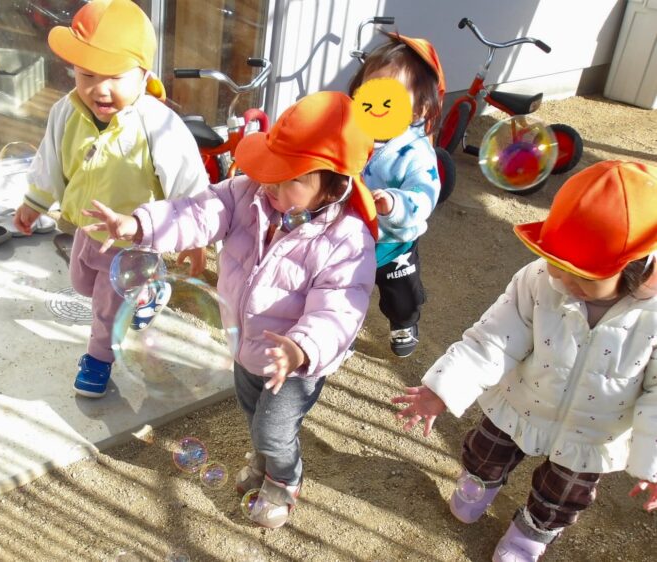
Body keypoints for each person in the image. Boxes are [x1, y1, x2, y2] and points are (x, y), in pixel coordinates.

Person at [82, 91, 378, 529]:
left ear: (333, 186)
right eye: (273, 170)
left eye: (292, 179)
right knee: (252, 413)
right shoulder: (247, 193)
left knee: (274, 430)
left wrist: (300, 349)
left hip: (295, 362)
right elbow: (195, 213)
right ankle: (263, 461)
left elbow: (340, 310)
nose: (273, 185)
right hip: (246, 344)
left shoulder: (347, 241)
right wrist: (139, 225)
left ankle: (284, 480)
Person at [392, 160, 657, 561]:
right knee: (486, 451)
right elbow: (493, 338)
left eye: (582, 275)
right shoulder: (538, 281)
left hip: (592, 432)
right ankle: (479, 483)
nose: (563, 280)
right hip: (521, 401)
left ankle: (531, 532)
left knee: (563, 495)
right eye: (556, 262)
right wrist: (443, 388)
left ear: (635, 268)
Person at [12, 0, 208, 398]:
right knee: (82, 283)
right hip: (88, 228)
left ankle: (98, 359)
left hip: (134, 239)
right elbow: (49, 160)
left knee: (105, 304)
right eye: (86, 74)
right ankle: (149, 291)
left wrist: (195, 236)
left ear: (144, 74)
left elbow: (188, 183)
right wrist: (34, 203)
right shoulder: (66, 111)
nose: (99, 88)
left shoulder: (159, 125)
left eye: (115, 77)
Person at [347, 33, 445, 357]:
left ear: (419, 108)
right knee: (342, 290)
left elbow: (424, 193)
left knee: (400, 294)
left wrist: (394, 203)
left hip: (394, 241)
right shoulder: (350, 132)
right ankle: (339, 329)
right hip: (350, 238)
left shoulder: (415, 152)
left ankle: (405, 321)